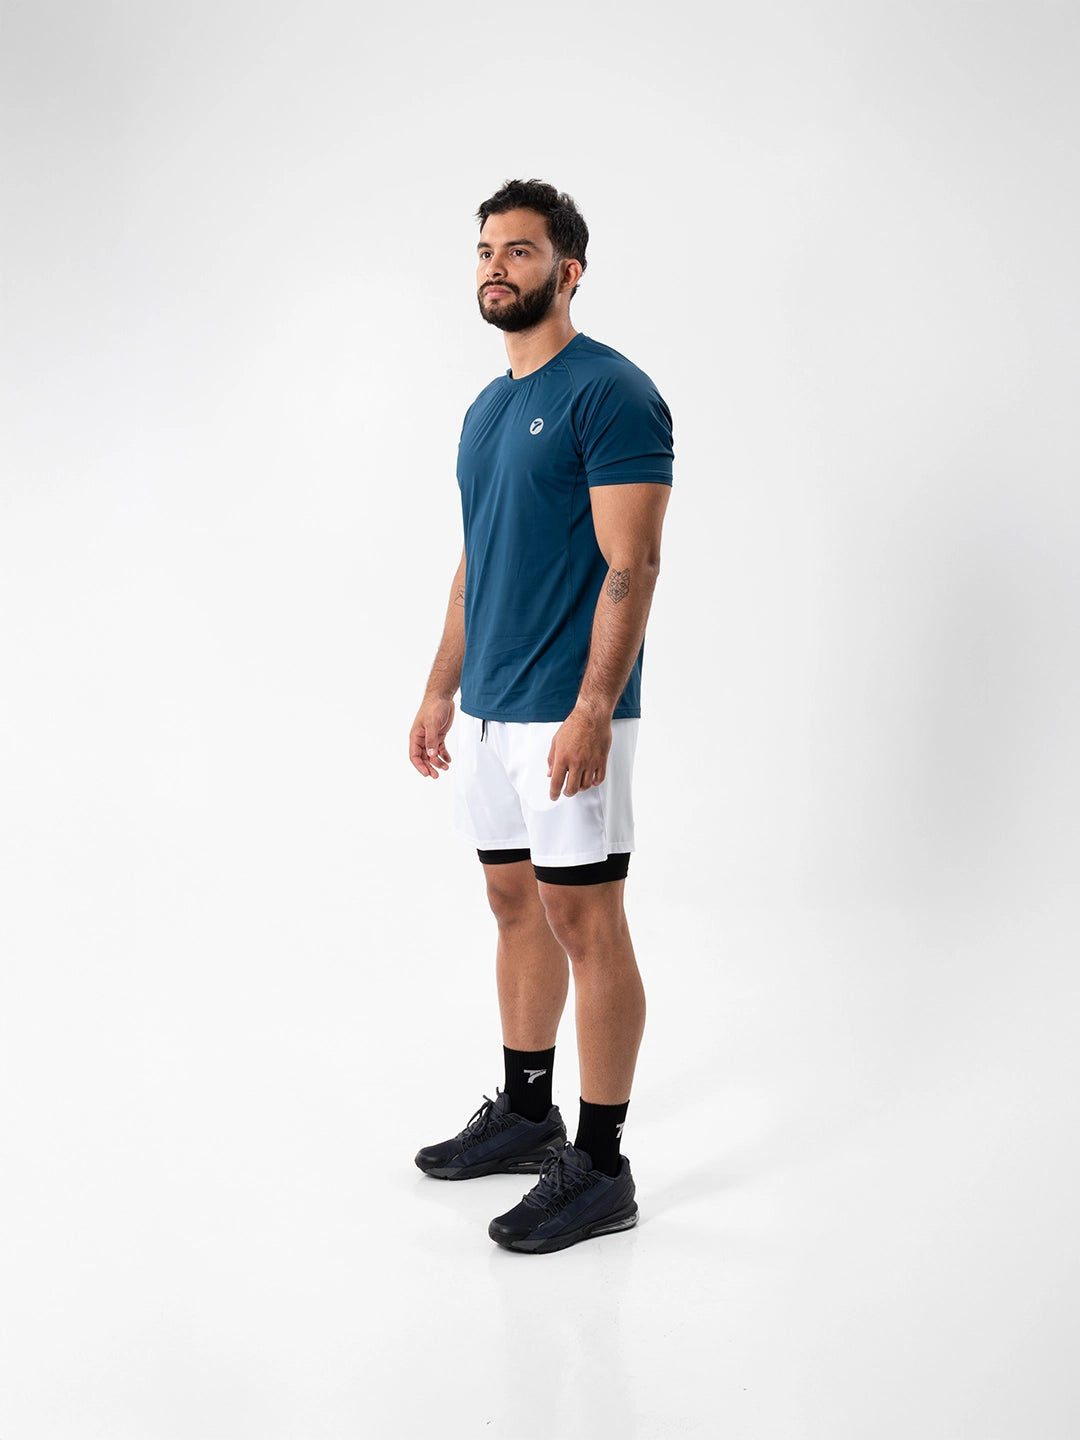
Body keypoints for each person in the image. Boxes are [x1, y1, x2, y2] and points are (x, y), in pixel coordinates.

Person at [408, 178, 673, 1254]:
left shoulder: (612, 393)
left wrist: (594, 707)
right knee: (512, 904)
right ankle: (528, 1114)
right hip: (490, 710)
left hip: (569, 711)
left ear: (568, 271)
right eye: (485, 250)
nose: (494, 266)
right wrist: (441, 688)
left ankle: (601, 1168)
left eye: (518, 251)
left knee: (584, 921)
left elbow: (632, 562)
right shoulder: (484, 410)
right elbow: (478, 563)